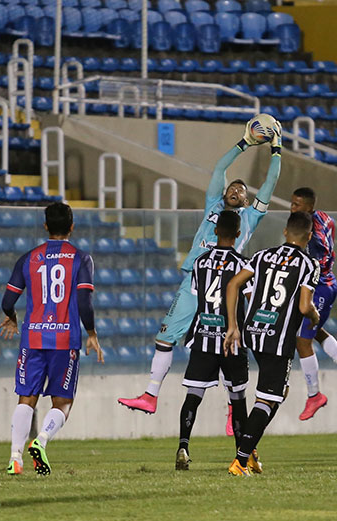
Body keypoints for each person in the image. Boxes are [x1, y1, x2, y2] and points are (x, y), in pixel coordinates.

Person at [118, 117, 283, 416]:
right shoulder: (213, 206)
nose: (235, 189)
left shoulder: (250, 217)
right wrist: (244, 143)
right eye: (231, 187)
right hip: (195, 281)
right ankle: (150, 395)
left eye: (241, 189)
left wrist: (276, 150)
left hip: (225, 287)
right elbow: (219, 169)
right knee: (165, 336)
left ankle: (235, 410)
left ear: (247, 199)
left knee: (228, 347)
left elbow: (270, 184)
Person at [0, 202, 103, 476]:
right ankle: (41, 440)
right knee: (62, 403)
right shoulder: (81, 258)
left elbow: (8, 300)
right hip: (64, 340)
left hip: (32, 337)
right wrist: (91, 333)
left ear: (45, 226)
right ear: (72, 226)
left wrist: (12, 317)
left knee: (26, 398)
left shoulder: (28, 258)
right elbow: (84, 301)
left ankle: (14, 458)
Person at [224, 211, 320, 476]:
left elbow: (233, 284)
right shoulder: (309, 264)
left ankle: (250, 446)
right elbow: (303, 305)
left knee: (278, 392)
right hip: (278, 338)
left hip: (253, 331)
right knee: (267, 398)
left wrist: (233, 326)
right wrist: (315, 315)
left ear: (285, 232)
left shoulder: (262, 255)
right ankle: (241, 461)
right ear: (309, 237)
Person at [175, 211, 252, 471]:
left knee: (193, 395)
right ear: (238, 234)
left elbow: (199, 296)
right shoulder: (243, 264)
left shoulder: (200, 262)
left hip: (203, 337)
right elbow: (250, 299)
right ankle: (240, 457)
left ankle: (183, 447)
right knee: (238, 398)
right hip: (232, 339)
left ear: (216, 231)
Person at [289, 188, 337, 422]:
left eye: (297, 205)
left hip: (319, 287)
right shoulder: (326, 218)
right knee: (315, 330)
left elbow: (323, 254)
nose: (293, 208)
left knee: (303, 339)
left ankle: (314, 395)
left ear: (309, 207)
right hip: (327, 284)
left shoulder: (313, 235)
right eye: (292, 203)